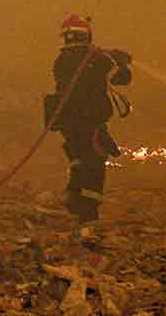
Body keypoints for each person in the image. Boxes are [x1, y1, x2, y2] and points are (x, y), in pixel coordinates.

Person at [50, 14, 133, 224]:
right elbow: (123, 78)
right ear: (87, 35)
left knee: (78, 158)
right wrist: (121, 62)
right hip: (91, 122)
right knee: (94, 166)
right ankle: (87, 217)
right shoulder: (97, 59)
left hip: (68, 124)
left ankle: (73, 195)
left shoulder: (61, 61)